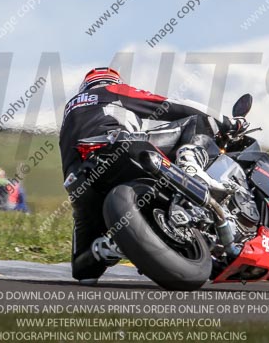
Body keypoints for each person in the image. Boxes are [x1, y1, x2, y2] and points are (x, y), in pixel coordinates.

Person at [59, 67, 248, 283]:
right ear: (110, 81)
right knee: (195, 122)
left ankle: (110, 248)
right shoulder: (111, 91)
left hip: (80, 182)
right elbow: (170, 106)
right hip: (117, 149)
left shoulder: (69, 113)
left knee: (84, 271)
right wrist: (229, 123)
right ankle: (191, 166)